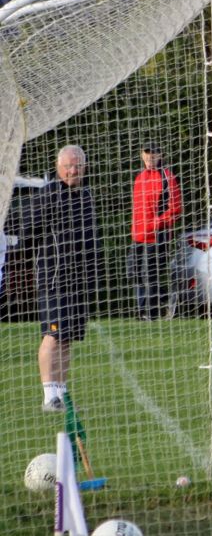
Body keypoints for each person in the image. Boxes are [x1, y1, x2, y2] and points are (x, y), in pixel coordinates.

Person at [24, 145, 100, 412]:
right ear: (58, 168)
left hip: (79, 283)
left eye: (77, 165)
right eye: (68, 165)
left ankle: (62, 395)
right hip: (54, 281)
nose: (72, 170)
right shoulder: (48, 195)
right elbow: (28, 233)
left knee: (67, 338)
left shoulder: (86, 196)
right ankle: (48, 396)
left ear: (84, 167)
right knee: (53, 336)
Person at [129, 142, 182, 320]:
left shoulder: (167, 177)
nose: (150, 158)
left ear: (160, 156)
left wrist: (156, 223)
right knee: (134, 271)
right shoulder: (139, 178)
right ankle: (145, 307)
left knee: (150, 273)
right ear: (141, 155)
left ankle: (150, 313)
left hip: (156, 235)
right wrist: (135, 229)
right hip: (138, 235)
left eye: (154, 154)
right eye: (147, 154)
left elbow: (175, 209)